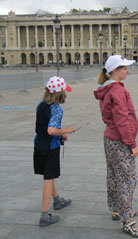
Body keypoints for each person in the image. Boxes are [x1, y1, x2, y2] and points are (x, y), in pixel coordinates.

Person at [94, 55, 138, 238]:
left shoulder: (107, 88)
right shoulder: (117, 90)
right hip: (120, 140)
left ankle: (117, 208)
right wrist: (131, 144)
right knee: (128, 179)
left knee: (114, 176)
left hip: (110, 139)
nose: (128, 71)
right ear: (115, 70)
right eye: (124, 68)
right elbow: (122, 119)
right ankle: (128, 221)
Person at [34, 76, 75, 227]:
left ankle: (57, 200)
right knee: (48, 179)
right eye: (64, 91)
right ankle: (45, 216)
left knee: (48, 175)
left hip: (39, 144)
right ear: (60, 93)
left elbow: (44, 127)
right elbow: (51, 130)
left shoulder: (41, 104)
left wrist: (60, 133)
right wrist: (67, 130)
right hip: (50, 147)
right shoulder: (56, 108)